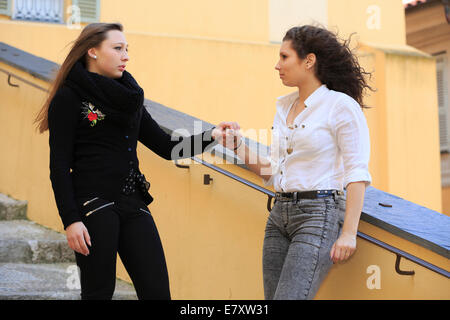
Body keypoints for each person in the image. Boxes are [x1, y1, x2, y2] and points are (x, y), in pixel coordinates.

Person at [34, 22, 237, 300]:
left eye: (127, 49)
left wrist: (212, 135)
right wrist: (70, 220)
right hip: (93, 207)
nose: (126, 56)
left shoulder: (129, 99)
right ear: (92, 51)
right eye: (117, 49)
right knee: (98, 293)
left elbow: (166, 147)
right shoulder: (69, 98)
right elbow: (59, 166)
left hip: (133, 203)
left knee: (157, 292)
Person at [218, 25, 373, 300]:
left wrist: (349, 232)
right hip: (279, 215)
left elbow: (356, 171)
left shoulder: (340, 106)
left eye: (284, 57)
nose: (277, 65)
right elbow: (274, 173)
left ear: (309, 60)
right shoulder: (285, 107)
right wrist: (238, 145)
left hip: (318, 215)